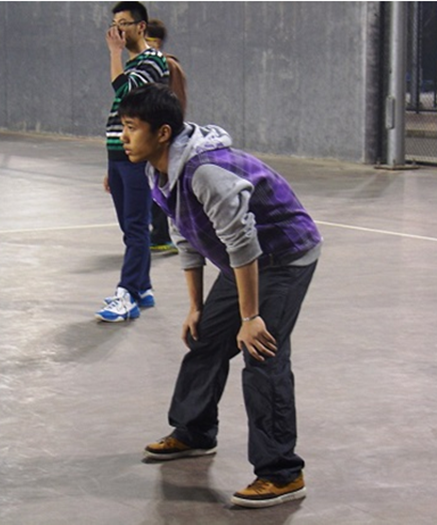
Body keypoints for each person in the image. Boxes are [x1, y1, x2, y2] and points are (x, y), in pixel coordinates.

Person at [118, 83, 322, 508]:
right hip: (244, 260)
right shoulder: (159, 169)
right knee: (207, 337)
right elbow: (186, 235)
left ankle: (282, 472)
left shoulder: (205, 172)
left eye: (132, 127)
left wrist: (250, 318)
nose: (124, 136)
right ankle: (194, 432)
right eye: (124, 126)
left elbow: (243, 243)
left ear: (162, 133)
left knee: (262, 354)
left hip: (284, 254)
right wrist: (196, 307)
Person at [96, 1, 169, 323]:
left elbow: (124, 91)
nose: (118, 30)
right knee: (130, 228)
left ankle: (126, 294)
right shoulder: (133, 63)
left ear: (141, 27)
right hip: (118, 156)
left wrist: (114, 53)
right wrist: (110, 166)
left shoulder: (153, 61)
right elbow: (120, 117)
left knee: (137, 226)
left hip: (137, 158)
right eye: (115, 24)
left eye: (124, 24)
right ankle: (143, 286)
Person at [145, 19, 187, 256]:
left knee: (161, 186)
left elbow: (176, 101)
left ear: (157, 41)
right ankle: (156, 233)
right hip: (149, 136)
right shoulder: (144, 65)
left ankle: (162, 235)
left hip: (163, 137)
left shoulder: (168, 66)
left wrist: (170, 133)